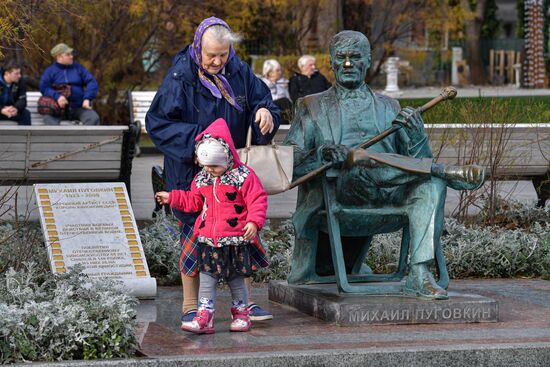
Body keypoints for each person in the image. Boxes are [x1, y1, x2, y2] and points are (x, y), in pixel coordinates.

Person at [284, 31, 484, 299]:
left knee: (430, 183)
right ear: (330, 62)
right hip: (340, 190)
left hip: (387, 196)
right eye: (341, 58)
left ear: (368, 61)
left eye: (355, 57)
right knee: (359, 160)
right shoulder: (312, 106)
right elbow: (290, 158)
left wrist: (416, 136)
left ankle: (419, 274)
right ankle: (446, 172)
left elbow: (416, 162)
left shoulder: (390, 106)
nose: (347, 64)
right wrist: (323, 153)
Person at [146, 17, 280, 325]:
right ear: (198, 48)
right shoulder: (181, 75)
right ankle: (190, 305)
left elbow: (263, 100)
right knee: (194, 234)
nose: (218, 61)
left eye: (223, 53)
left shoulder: (239, 70)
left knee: (240, 233)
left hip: (233, 174)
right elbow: (158, 123)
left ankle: (244, 305)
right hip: (193, 172)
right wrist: (200, 142)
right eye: (211, 55)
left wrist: (265, 113)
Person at [156, 118, 268, 334]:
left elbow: (257, 199)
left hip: (235, 239)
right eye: (206, 165)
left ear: (227, 157)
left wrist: (254, 221)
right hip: (209, 240)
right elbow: (194, 201)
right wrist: (173, 197)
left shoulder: (243, 176)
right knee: (207, 280)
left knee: (236, 280)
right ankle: (204, 317)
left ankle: (241, 314)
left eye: (215, 165)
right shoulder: (202, 179)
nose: (211, 170)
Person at [39, 43, 100, 125]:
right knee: (49, 121)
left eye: (71, 54)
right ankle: (58, 138)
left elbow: (92, 82)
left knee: (93, 118)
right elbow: (44, 87)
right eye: (68, 54)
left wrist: (87, 98)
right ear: (59, 56)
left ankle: (84, 138)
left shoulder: (78, 68)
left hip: (78, 107)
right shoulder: (50, 71)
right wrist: (58, 97)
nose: (71, 56)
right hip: (57, 109)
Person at [261, 59, 292, 124]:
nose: (280, 72)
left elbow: (289, 100)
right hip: (268, 111)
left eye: (280, 70)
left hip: (282, 113)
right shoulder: (262, 84)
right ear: (269, 73)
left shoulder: (283, 83)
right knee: (284, 101)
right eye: (277, 71)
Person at [0, 61, 31, 125]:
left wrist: (16, 108)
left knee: (25, 113)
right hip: (1, 110)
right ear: (7, 73)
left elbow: (22, 100)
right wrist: (2, 110)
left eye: (19, 73)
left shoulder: (20, 81)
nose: (19, 76)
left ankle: (24, 134)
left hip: (13, 110)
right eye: (16, 73)